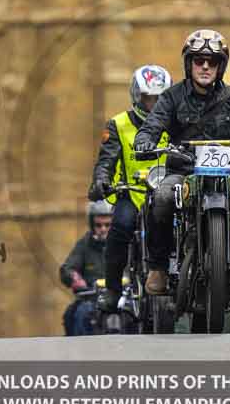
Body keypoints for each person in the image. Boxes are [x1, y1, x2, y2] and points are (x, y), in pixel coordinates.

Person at [134, 29, 230, 296]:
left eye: (213, 61)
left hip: (227, 175)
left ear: (221, 66)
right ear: (188, 63)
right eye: (199, 60)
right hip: (182, 173)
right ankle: (158, 268)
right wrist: (145, 141)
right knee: (159, 199)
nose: (205, 66)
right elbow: (152, 126)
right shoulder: (171, 97)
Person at [88, 64, 172, 312]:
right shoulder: (118, 124)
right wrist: (101, 180)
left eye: (159, 99)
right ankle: (113, 290)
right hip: (132, 193)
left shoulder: (177, 122)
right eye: (149, 98)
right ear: (137, 97)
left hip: (170, 192)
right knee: (120, 228)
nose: (154, 104)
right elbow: (106, 160)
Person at [60, 200, 113, 336]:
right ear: (91, 225)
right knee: (75, 315)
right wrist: (74, 278)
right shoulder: (84, 245)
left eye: (108, 225)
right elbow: (67, 268)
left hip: (123, 299)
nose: (103, 229)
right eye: (98, 225)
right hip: (92, 299)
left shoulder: (126, 244)